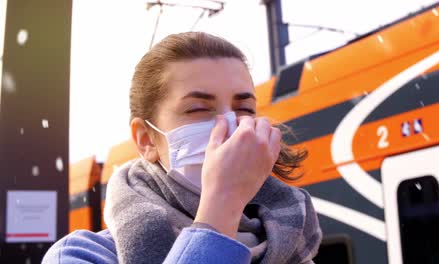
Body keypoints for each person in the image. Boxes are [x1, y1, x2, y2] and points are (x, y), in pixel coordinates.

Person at [42, 32, 322, 264]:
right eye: (199, 109)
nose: (228, 126)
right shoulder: (79, 255)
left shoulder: (294, 248)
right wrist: (223, 203)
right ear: (146, 139)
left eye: (244, 109)